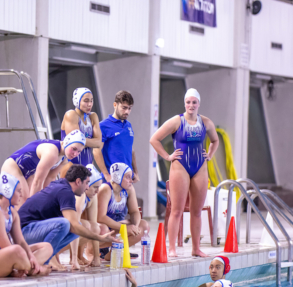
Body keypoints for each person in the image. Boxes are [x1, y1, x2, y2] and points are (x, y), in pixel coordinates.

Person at [150, 88, 219, 257]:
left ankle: (196, 248)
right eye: (188, 102)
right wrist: (168, 156)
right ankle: (172, 248)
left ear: (199, 104)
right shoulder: (176, 121)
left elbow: (215, 140)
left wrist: (209, 155)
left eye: (194, 102)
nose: (191, 105)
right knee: (176, 210)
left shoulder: (206, 122)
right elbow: (154, 139)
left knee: (196, 211)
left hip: (200, 167)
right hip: (180, 166)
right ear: (184, 103)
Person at [18, 164, 119, 270]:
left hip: (31, 230)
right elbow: (72, 224)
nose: (87, 187)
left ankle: (39, 258)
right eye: (87, 183)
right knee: (66, 224)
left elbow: (74, 227)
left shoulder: (62, 186)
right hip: (23, 232)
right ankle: (43, 261)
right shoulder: (66, 192)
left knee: (74, 229)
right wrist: (99, 237)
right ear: (78, 181)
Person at [0, 172, 52, 278]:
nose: (21, 195)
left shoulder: (12, 213)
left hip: (3, 256)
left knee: (46, 247)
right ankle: (33, 269)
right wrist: (27, 258)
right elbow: (6, 247)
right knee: (16, 250)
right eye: (18, 191)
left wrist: (31, 257)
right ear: (8, 191)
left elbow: (21, 241)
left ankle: (26, 268)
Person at [0, 130, 86, 205]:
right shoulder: (52, 152)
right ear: (67, 142)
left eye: (79, 151)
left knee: (33, 201)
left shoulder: (64, 158)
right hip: (13, 166)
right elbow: (38, 181)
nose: (75, 154)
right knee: (25, 201)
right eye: (74, 149)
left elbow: (50, 179)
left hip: (29, 174)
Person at [97, 163, 147, 260]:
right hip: (101, 229)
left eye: (131, 177)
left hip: (115, 226)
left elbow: (134, 211)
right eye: (127, 177)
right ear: (117, 177)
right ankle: (91, 251)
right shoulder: (106, 189)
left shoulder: (129, 190)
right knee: (103, 229)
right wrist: (124, 228)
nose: (131, 181)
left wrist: (135, 227)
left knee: (143, 225)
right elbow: (100, 217)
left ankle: (113, 253)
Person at [93, 90, 139, 183]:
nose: (127, 111)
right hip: (112, 180)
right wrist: (106, 175)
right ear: (115, 105)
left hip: (127, 179)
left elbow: (131, 150)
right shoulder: (103, 126)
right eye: (124, 108)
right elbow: (96, 151)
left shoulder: (128, 125)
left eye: (129, 108)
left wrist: (136, 172)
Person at [66, 164, 104, 269]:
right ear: (86, 185)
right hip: (56, 227)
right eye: (95, 187)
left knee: (94, 226)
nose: (97, 191)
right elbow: (74, 226)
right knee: (85, 226)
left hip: (67, 226)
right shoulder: (79, 196)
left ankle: (80, 256)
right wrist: (73, 259)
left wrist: (96, 257)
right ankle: (54, 258)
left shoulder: (92, 196)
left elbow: (94, 224)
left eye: (99, 187)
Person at [59, 88, 103, 178]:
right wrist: (91, 141)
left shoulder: (93, 116)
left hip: (88, 166)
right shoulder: (71, 115)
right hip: (70, 166)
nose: (90, 104)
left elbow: (98, 143)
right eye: (86, 101)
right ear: (76, 101)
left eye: (91, 101)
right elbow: (76, 143)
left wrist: (83, 141)